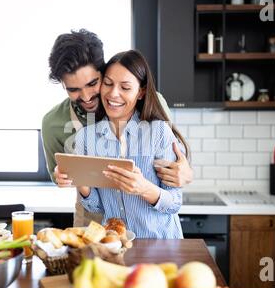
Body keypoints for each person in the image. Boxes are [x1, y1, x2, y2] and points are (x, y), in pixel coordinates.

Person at [42, 29, 193, 227]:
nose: (86, 96)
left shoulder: (149, 106)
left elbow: (175, 167)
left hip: (149, 224)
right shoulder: (53, 123)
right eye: (74, 89)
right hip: (93, 222)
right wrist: (64, 176)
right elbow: (64, 179)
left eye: (93, 83)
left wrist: (186, 173)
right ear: (63, 85)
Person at [73, 50, 189, 238]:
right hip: (116, 245)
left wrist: (144, 187)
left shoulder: (158, 132)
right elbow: (96, 206)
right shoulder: (86, 138)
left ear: (141, 92)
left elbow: (174, 203)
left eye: (125, 87)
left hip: (160, 246)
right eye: (108, 84)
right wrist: (80, 181)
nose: (113, 93)